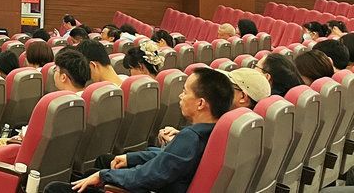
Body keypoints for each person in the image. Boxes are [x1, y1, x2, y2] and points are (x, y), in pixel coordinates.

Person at [48, 67, 234, 193]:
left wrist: (105, 175)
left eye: (185, 92)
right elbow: (168, 160)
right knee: (95, 172)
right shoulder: (216, 131)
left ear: (201, 103)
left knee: (55, 189)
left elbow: (150, 175)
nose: (180, 96)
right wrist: (129, 159)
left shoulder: (191, 137)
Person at [0, 49, 89, 159]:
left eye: (55, 70)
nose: (54, 74)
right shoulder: (87, 101)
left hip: (33, 155)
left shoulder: (58, 105)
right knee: (0, 142)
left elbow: (34, 137)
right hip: (58, 156)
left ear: (63, 77)